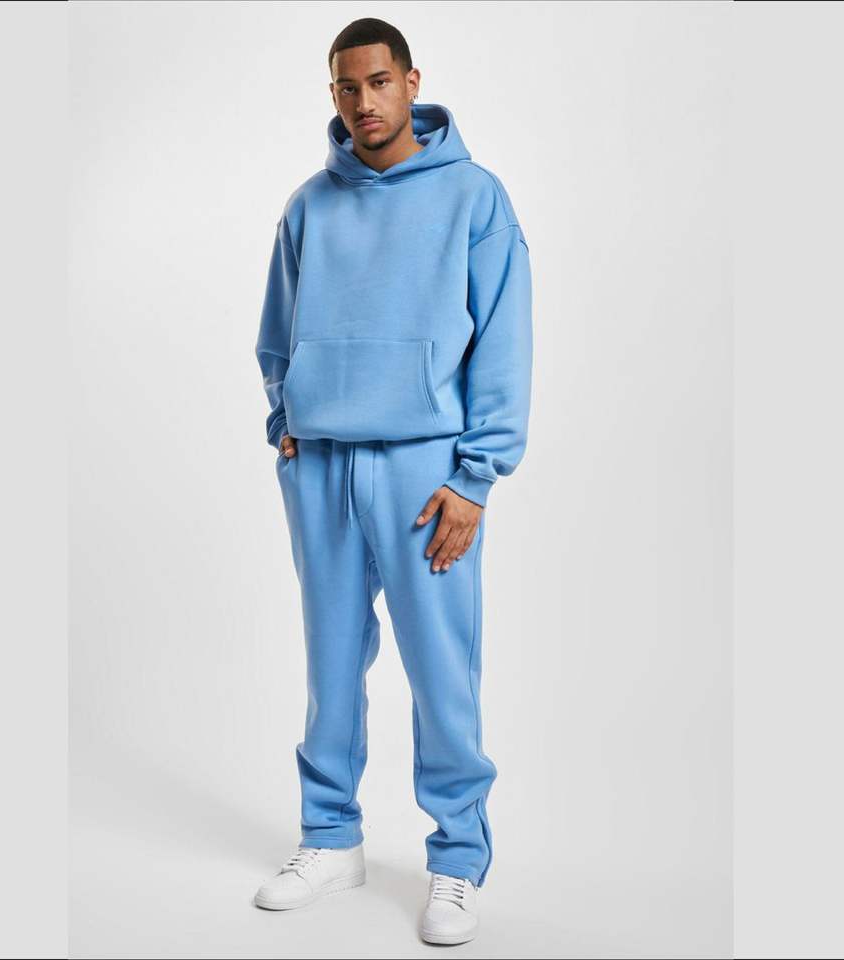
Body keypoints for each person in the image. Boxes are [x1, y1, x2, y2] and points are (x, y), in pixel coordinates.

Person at [252, 17, 533, 946]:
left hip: (426, 471)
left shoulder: (474, 198)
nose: (364, 102)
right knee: (331, 665)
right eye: (347, 87)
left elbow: (504, 339)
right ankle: (331, 838)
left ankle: (457, 859)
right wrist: (285, 423)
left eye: (379, 82)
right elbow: (277, 333)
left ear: (412, 82)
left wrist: (476, 477)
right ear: (333, 94)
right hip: (322, 464)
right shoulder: (309, 205)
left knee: (442, 672)